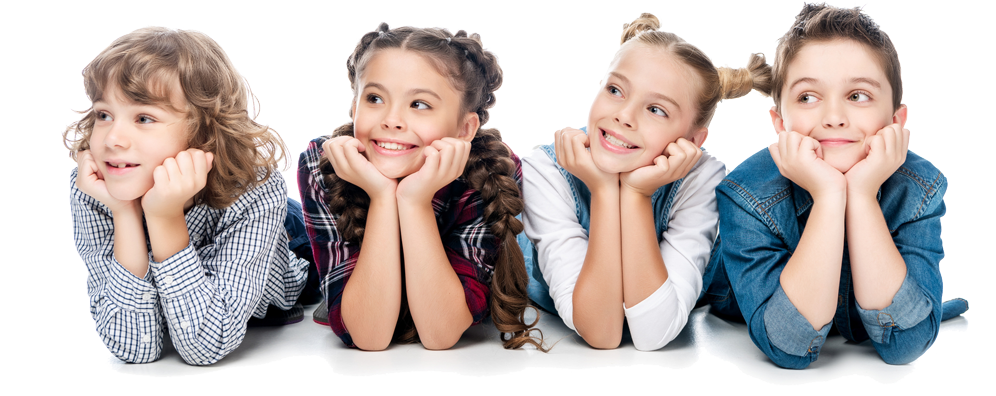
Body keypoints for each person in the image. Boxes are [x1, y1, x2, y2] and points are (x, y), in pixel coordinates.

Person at [702, 3, 969, 368]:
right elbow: (789, 346)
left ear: (895, 121)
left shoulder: (919, 189)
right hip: (735, 297)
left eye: (858, 95)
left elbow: (906, 344)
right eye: (808, 97)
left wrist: (859, 195)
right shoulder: (748, 193)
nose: (833, 118)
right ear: (781, 125)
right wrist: (829, 196)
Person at [517, 13, 768, 351]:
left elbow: (654, 333)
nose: (624, 115)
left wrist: (635, 193)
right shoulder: (547, 169)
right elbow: (601, 332)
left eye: (656, 110)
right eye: (615, 89)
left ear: (692, 142)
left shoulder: (701, 177)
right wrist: (605, 189)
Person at [65, 27, 310, 365]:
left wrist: (165, 218)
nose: (112, 139)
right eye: (104, 114)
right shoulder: (96, 187)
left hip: (290, 239)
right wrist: (124, 213)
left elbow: (207, 344)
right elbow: (133, 347)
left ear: (203, 131)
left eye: (144, 117)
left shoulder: (256, 189)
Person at [297, 23, 543, 351]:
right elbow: (369, 337)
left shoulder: (490, 174)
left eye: (419, 105)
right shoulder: (325, 163)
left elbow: (439, 334)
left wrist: (415, 201)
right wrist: (382, 196)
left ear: (464, 128)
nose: (392, 120)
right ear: (355, 108)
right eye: (374, 98)